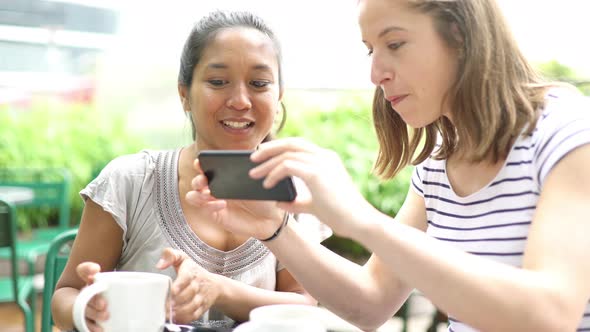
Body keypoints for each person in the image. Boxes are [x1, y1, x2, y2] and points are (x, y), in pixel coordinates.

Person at [187, 0, 590, 331]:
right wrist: (275, 230)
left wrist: (361, 219)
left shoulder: (567, 131)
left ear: (461, 36)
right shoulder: (437, 168)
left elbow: (550, 315)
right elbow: (370, 304)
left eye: (394, 44)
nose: (376, 73)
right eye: (370, 49)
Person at [51, 10, 330, 331]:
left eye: (258, 83)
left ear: (278, 95)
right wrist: (87, 310)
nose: (240, 100)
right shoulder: (131, 181)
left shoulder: (293, 193)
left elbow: (303, 304)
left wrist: (218, 290)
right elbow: (66, 294)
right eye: (217, 82)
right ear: (185, 93)